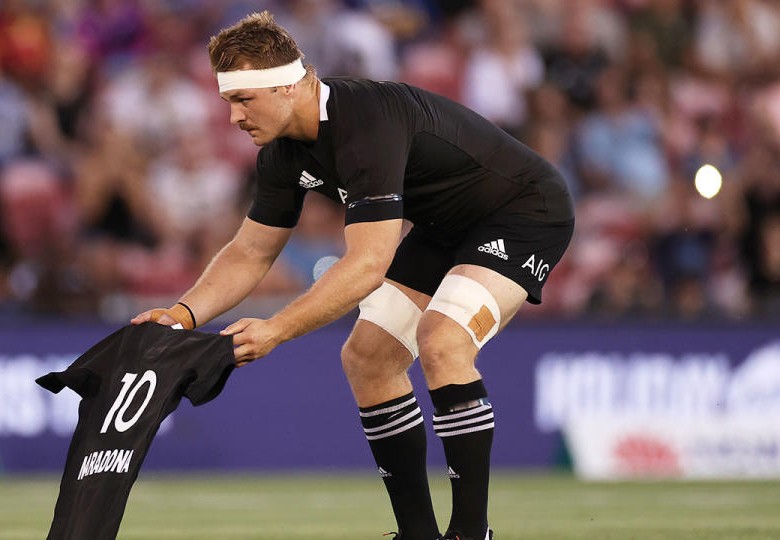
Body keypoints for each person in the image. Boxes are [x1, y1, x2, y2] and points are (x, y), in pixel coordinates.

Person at [132, 11, 574, 540]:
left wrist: (276, 328)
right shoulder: (280, 154)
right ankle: (417, 534)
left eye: (243, 99)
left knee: (443, 341)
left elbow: (367, 264)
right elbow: (249, 253)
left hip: (525, 210)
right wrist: (181, 316)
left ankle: (470, 533)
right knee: (367, 358)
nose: (233, 118)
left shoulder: (365, 120)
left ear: (290, 85)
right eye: (229, 101)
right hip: (443, 227)